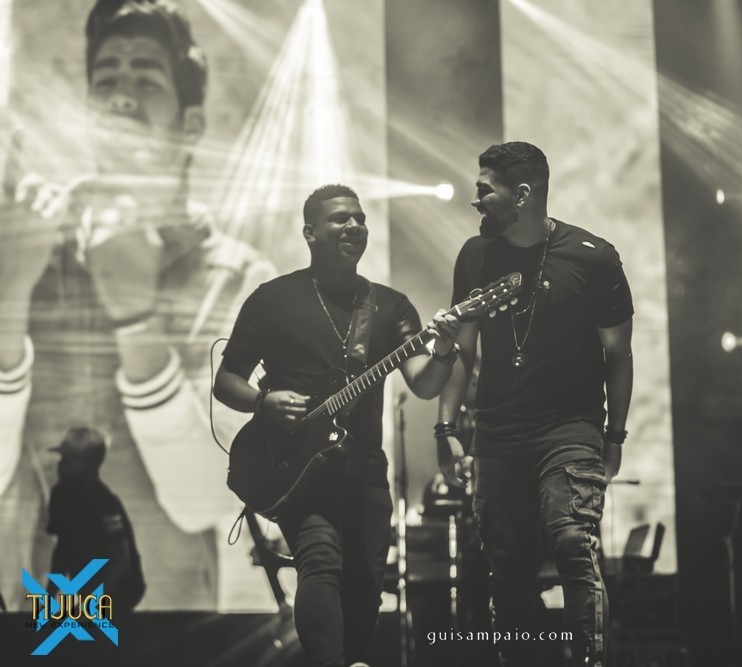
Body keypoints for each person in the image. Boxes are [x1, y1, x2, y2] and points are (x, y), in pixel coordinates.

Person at [0, 0, 275, 609]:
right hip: (36, 625)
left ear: (190, 125)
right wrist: (9, 298)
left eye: (146, 81)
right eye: (106, 82)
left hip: (171, 630)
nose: (121, 98)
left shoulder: (239, 281)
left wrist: (135, 319)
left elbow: (215, 498)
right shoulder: (24, 253)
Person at [214, 183, 462, 667]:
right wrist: (264, 401)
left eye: (360, 219)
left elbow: (425, 384)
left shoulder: (390, 306)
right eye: (340, 219)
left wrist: (446, 348)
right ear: (310, 232)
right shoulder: (273, 299)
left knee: (366, 585)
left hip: (364, 466)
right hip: (297, 466)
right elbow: (226, 382)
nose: (354, 226)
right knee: (320, 558)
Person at [436, 141, 634, 667]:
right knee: (508, 568)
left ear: (521, 194)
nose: (475, 200)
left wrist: (614, 437)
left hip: (570, 429)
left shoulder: (593, 257)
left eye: (484, 190)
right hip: (498, 434)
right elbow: (462, 350)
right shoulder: (475, 256)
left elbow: (618, 353)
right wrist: (445, 429)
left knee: (572, 541)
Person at [46, 426, 145, 614]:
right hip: (87, 596)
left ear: (88, 464)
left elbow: (121, 564)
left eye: (68, 459)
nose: (61, 464)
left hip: (118, 597)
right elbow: (62, 550)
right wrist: (48, 599)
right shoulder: (60, 495)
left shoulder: (106, 503)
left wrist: (88, 605)